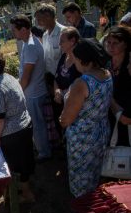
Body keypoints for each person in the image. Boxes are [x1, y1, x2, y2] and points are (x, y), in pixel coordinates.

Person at [60, 39, 112, 198]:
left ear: (84, 61)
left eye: (75, 59)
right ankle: (94, 207)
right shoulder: (107, 74)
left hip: (83, 138)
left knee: (80, 176)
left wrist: (61, 119)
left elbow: (67, 119)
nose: (74, 62)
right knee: (95, 171)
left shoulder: (82, 83)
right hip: (101, 130)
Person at [0, 51, 35, 202]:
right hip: (25, 125)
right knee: (25, 161)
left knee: (12, 166)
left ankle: (18, 195)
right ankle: (26, 191)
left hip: (12, 133)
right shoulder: (9, 77)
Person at [10, 15, 52, 162]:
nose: (13, 33)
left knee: (37, 124)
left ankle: (44, 152)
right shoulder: (30, 42)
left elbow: (27, 76)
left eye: (15, 30)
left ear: (23, 29)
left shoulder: (31, 47)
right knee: (37, 123)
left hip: (33, 93)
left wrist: (17, 92)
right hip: (34, 91)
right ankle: (42, 148)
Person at [105, 26, 131, 145]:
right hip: (109, 119)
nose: (111, 46)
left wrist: (110, 100)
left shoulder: (129, 66)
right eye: (109, 42)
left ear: (125, 44)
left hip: (126, 119)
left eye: (115, 43)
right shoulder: (106, 63)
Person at [54, 27, 81, 136]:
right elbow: (56, 78)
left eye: (62, 41)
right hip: (61, 103)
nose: (59, 44)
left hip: (74, 107)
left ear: (72, 41)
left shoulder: (81, 61)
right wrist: (57, 90)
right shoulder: (64, 56)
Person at [35, 4, 66, 85]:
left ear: (48, 16)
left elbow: (68, 59)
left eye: (39, 19)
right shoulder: (45, 35)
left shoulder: (63, 33)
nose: (38, 23)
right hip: (50, 80)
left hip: (63, 80)